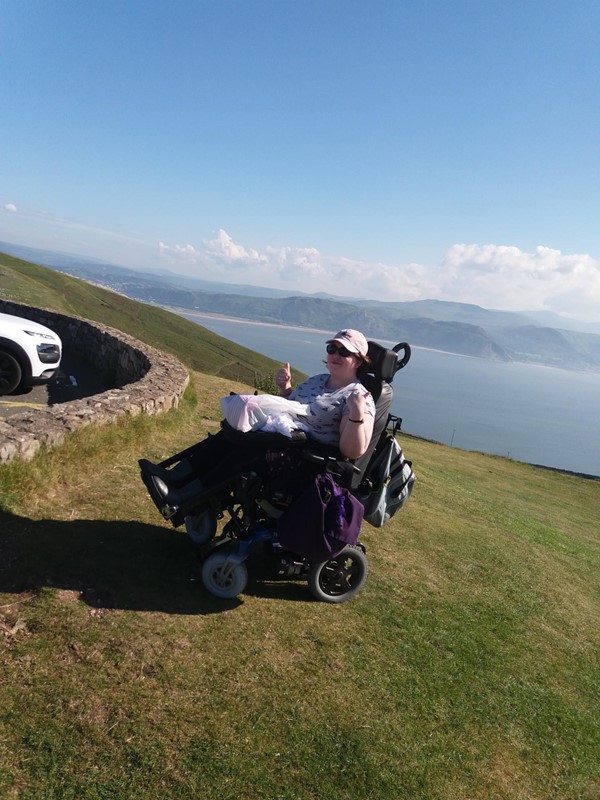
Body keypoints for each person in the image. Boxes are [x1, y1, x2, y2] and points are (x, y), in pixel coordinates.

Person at [275, 328, 375, 460]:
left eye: (344, 352)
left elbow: (351, 453)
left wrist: (356, 414)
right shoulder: (317, 379)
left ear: (358, 362)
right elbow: (291, 407)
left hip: (306, 462)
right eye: (332, 349)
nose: (335, 355)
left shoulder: (358, 397)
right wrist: (285, 388)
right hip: (280, 444)